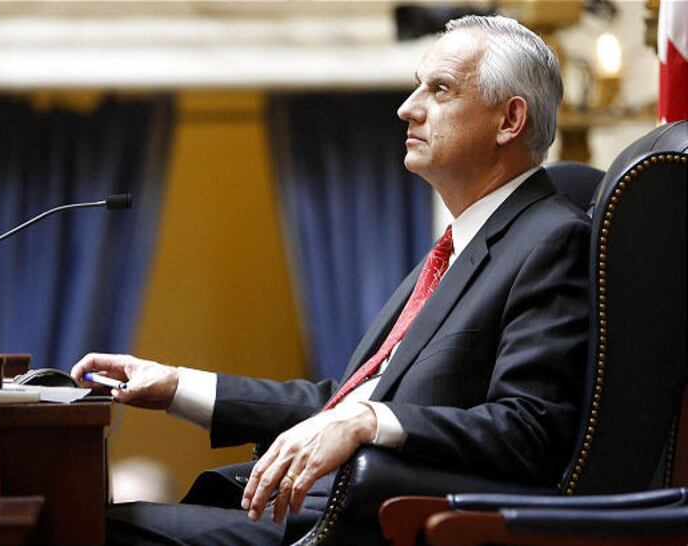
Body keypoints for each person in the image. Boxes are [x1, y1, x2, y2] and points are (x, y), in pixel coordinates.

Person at [72, 14, 590, 546]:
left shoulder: (552, 239)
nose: (407, 107)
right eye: (418, 85)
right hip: (316, 502)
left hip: (373, 521)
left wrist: (368, 420)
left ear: (509, 120)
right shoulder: (458, 249)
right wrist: (176, 385)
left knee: (89, 527)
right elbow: (341, 404)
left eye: (440, 90)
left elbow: (530, 430)